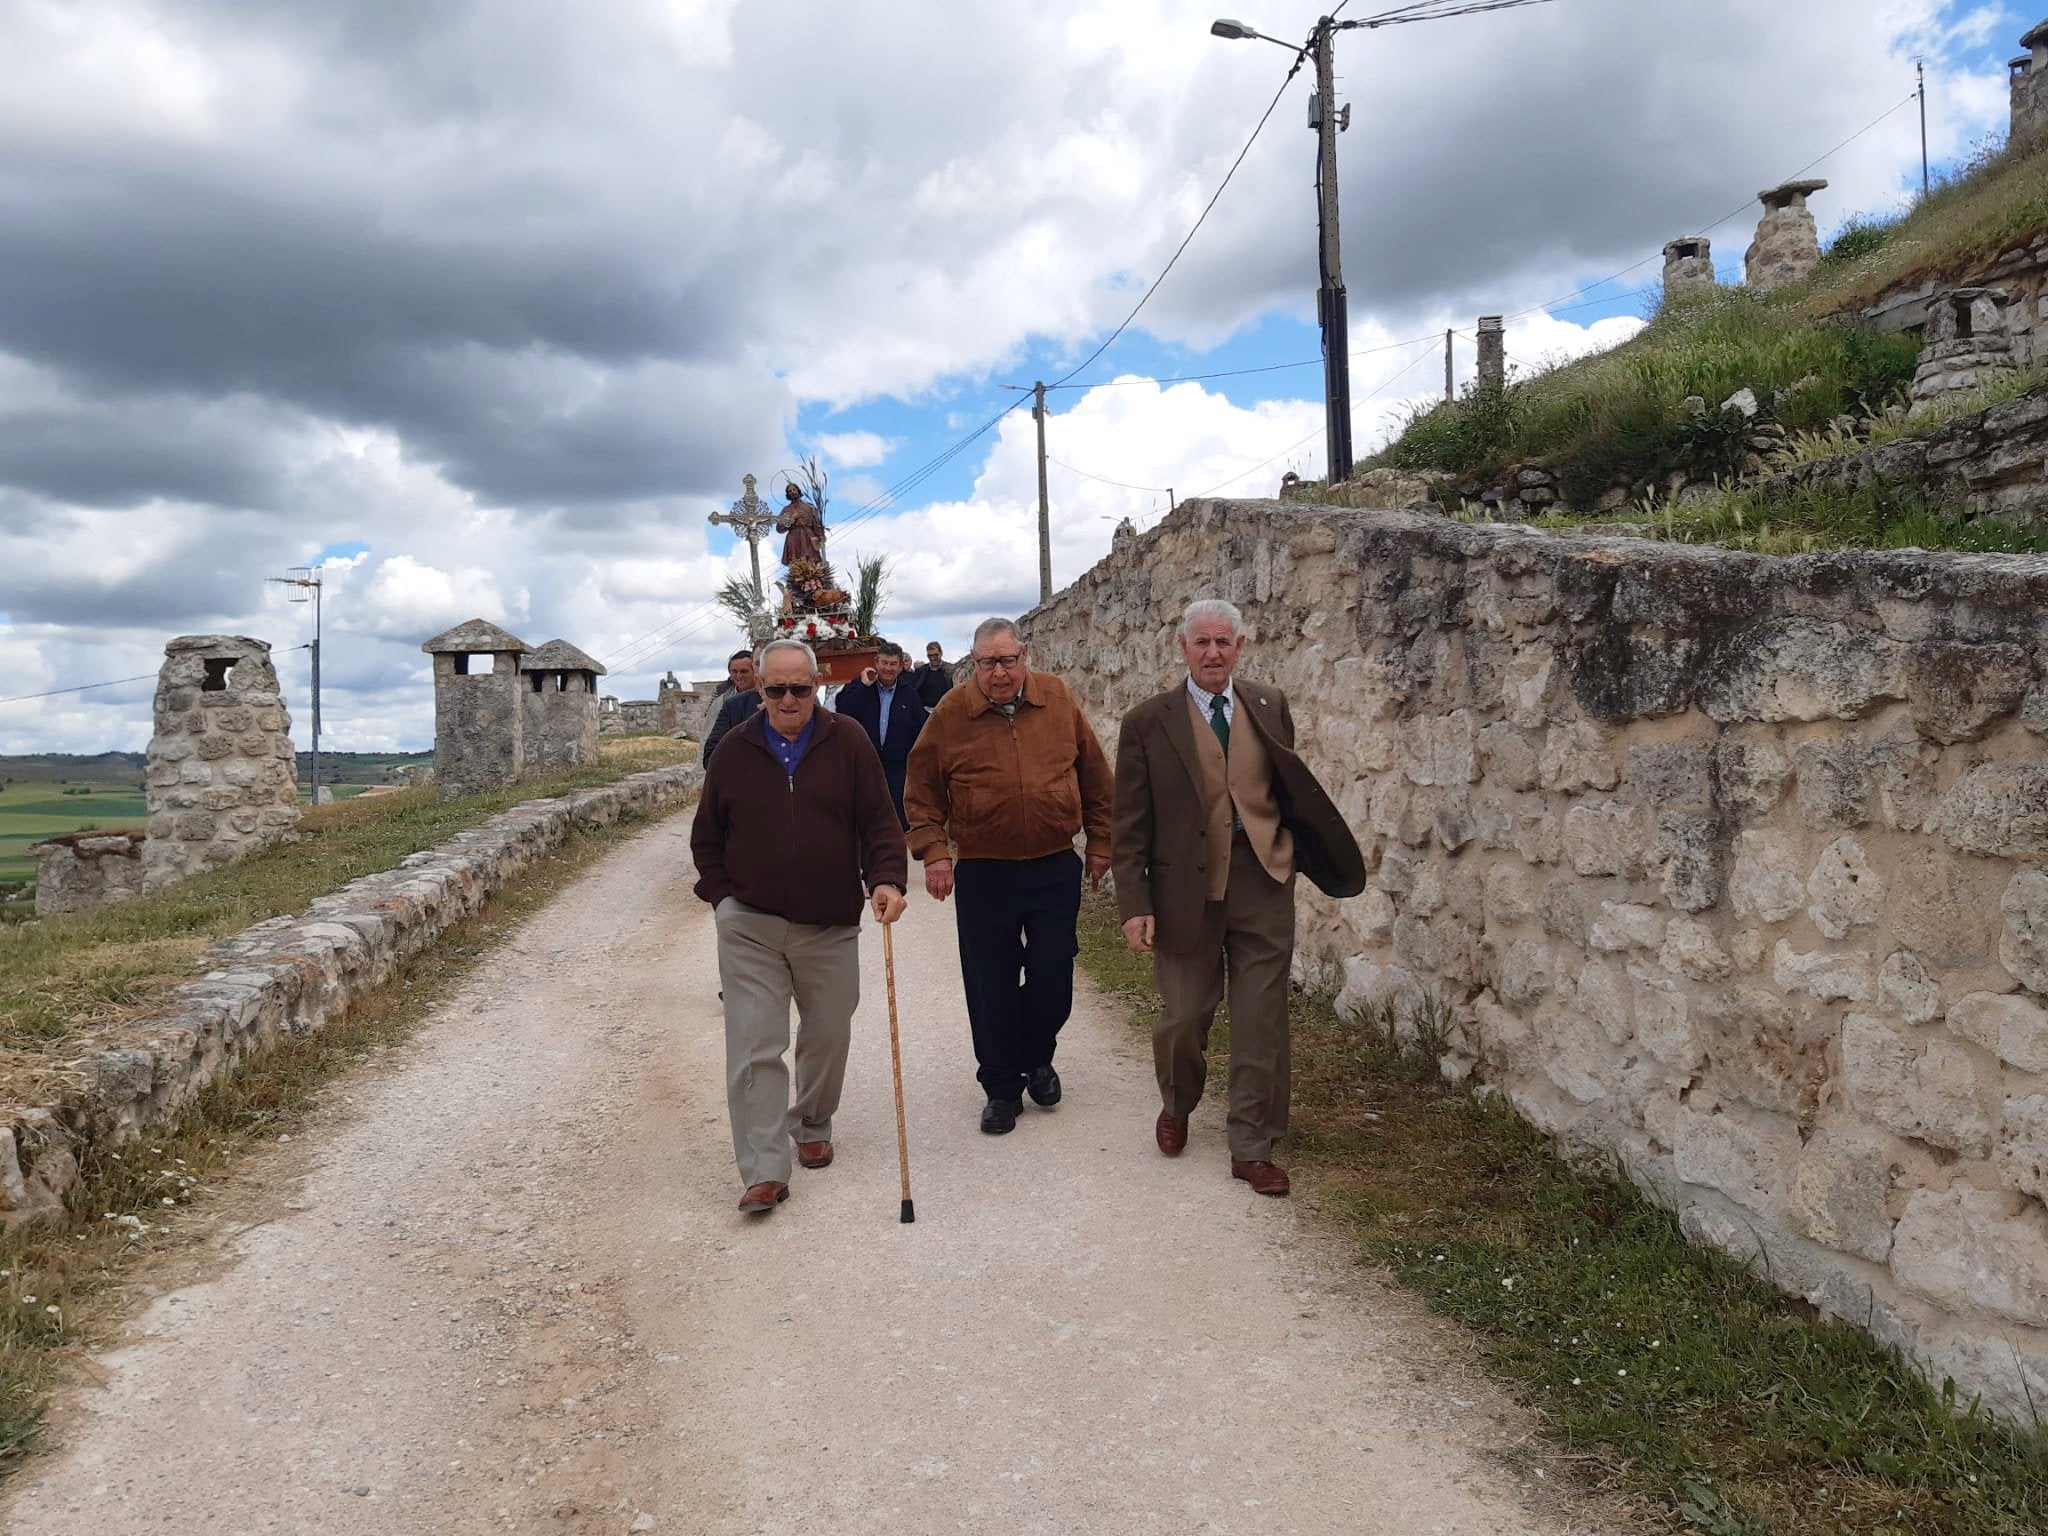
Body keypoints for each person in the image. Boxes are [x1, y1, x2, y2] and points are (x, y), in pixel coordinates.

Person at [1111, 599, 1366, 1198]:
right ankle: (1177, 1102)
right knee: (1183, 1016)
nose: (1213, 653)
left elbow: (1285, 786)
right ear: (1182, 647)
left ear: (1240, 647)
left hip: (1263, 881)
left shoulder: (1268, 704)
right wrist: (1135, 903)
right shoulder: (1147, 722)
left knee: (1261, 1020)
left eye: (1224, 642)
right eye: (1201, 642)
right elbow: (1130, 825)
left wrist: (1299, 854)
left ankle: (1252, 1143)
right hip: (1183, 893)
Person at [690, 638, 908, 1215]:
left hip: (830, 921)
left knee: (828, 1031)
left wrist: (887, 879)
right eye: (776, 689)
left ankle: (812, 1119)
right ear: (758, 690)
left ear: (818, 687)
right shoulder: (734, 751)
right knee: (755, 1042)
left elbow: (880, 822)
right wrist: (723, 901)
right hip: (751, 925)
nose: (789, 699)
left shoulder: (849, 742)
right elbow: (706, 838)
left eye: (800, 688)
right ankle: (763, 1169)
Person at [903, 617, 1113, 1135]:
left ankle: (1037, 1056)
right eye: (987, 663)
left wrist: (1103, 840)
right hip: (983, 870)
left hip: (1052, 862)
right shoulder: (952, 713)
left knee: (1054, 974)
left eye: (1008, 660)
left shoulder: (1057, 698)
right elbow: (922, 789)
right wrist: (934, 853)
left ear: (1026, 654)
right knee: (989, 980)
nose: (998, 673)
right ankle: (1001, 1087)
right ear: (973, 663)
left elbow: (1094, 775)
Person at [833, 641, 928, 825]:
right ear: (876, 662)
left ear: (901, 666)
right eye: (884, 663)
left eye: (893, 664)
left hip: (897, 770)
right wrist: (862, 685)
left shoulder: (909, 694)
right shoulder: (860, 685)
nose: (888, 668)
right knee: (864, 818)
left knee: (896, 820)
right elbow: (842, 709)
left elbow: (920, 730)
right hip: (865, 765)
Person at [701, 652, 762, 763]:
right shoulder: (720, 702)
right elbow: (707, 740)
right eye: (734, 672)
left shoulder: (769, 698)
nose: (738, 676)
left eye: (744, 671)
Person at [777, 482, 826, 568]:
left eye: (794, 490)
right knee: (796, 564)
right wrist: (793, 518)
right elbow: (779, 528)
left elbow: (816, 524)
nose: (792, 492)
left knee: (810, 562)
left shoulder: (810, 507)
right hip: (794, 537)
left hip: (807, 536)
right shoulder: (786, 510)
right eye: (790, 491)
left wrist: (820, 536)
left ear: (798, 491)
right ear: (788, 495)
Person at [913, 641, 954, 711]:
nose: (933, 658)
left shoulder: (950, 670)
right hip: (924, 712)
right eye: (930, 656)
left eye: (935, 655)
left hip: (944, 711)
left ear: (941, 654)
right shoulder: (921, 671)